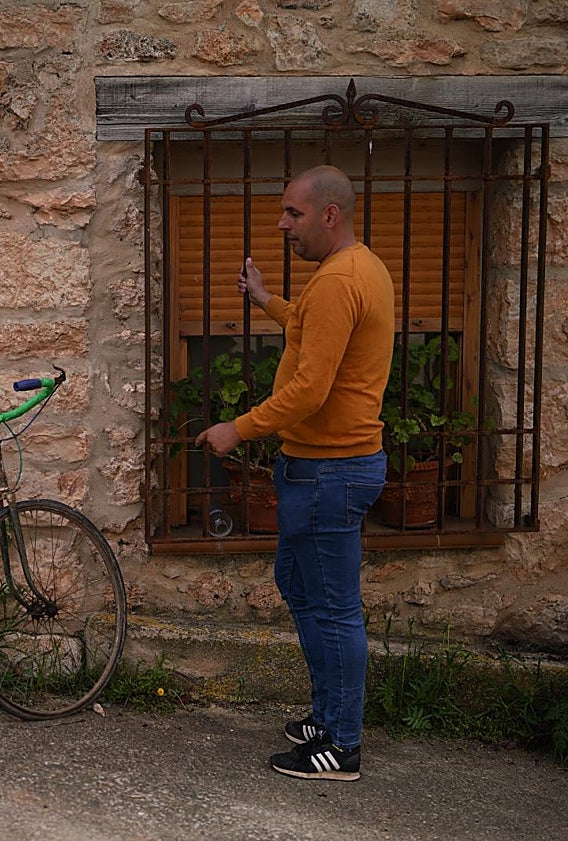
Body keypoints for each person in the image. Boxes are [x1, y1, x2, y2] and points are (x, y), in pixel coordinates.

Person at [195, 165, 394, 782]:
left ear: (330, 215)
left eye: (293, 213)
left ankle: (342, 744)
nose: (282, 224)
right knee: (299, 585)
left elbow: (310, 389)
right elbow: (314, 331)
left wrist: (239, 428)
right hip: (320, 467)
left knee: (333, 608)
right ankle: (328, 716)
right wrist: (267, 301)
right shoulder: (355, 268)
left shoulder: (339, 280)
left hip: (332, 469)